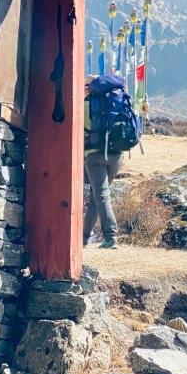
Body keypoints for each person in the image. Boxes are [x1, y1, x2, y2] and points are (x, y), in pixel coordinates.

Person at [83, 74, 122, 249]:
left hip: (95, 155)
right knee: (96, 197)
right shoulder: (116, 103)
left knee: (101, 195)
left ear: (89, 89)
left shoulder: (86, 106)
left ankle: (111, 236)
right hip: (117, 155)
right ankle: (83, 237)